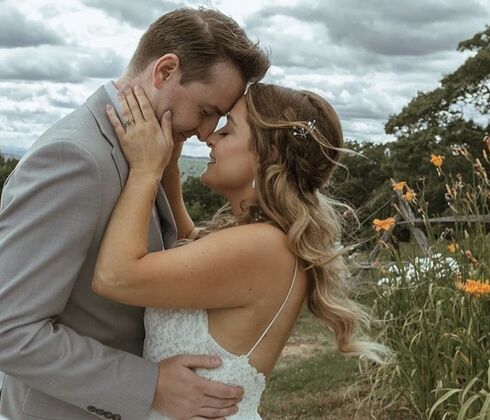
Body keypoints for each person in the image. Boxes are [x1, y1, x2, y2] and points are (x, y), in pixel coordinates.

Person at [0, 7, 270, 420]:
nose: (205, 133)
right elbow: (3, 332)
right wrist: (150, 385)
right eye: (205, 112)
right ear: (165, 71)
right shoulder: (75, 158)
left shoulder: (148, 150)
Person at [96, 82, 389, 418]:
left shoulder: (264, 246)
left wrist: (145, 171)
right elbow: (191, 245)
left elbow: (114, 277)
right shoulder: (266, 240)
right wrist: (170, 166)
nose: (210, 137)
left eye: (228, 130)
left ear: (268, 155)